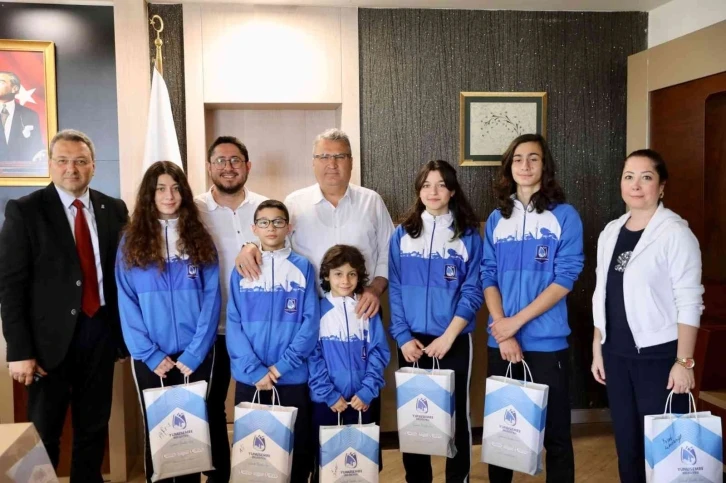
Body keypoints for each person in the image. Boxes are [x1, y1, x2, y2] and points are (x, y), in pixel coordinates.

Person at [235, 128, 394, 465]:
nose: (331, 163)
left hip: (363, 314)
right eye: (324, 156)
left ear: (351, 161)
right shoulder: (295, 203)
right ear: (313, 162)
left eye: (339, 156)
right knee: (316, 421)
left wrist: (375, 289)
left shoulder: (372, 201)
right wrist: (248, 246)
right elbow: (274, 238)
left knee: (362, 418)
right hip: (312, 324)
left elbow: (386, 254)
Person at [0, 129, 128, 482]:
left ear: (93, 166)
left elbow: (123, 275)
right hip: (46, 345)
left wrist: (122, 337)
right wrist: (19, 351)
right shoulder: (25, 210)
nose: (72, 168)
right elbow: (10, 286)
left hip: (100, 334)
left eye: (81, 161)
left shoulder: (114, 209)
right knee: (44, 434)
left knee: (93, 428)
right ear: (50, 164)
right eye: (63, 161)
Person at [591, 149, 704, 483]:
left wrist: (684, 362)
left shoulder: (675, 233)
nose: (636, 185)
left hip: (659, 358)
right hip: (616, 355)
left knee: (666, 451)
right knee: (627, 447)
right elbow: (602, 294)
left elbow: (689, 301)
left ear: (662, 186)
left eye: (646, 177)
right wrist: (598, 346)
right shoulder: (611, 232)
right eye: (629, 177)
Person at [481, 133, 583, 483]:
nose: (525, 165)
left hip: (546, 343)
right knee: (501, 435)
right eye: (518, 158)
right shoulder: (496, 219)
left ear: (545, 166)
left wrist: (515, 323)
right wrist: (502, 328)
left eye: (533, 158)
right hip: (501, 341)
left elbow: (565, 279)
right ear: (509, 167)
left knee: (556, 435)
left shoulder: (565, 216)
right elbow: (488, 275)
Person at [116, 161, 221, 483]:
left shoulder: (200, 239)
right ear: (150, 194)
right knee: (159, 434)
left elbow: (212, 298)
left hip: (195, 356)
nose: (169, 195)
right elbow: (127, 301)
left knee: (192, 436)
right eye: (161, 188)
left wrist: (196, 351)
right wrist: (148, 354)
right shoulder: (131, 242)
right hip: (152, 357)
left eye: (175, 188)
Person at [389, 160, 483, 483]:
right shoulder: (402, 234)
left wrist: (449, 336)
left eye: (441, 184)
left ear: (452, 190)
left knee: (455, 416)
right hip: (411, 341)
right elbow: (395, 288)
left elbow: (472, 291)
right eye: (427, 185)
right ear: (419, 190)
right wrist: (402, 336)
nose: (433, 191)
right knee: (415, 417)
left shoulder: (468, 236)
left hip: (453, 338)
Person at [226, 200, 320, 483]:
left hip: (290, 376)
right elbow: (233, 324)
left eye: (278, 221)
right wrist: (256, 371)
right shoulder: (241, 269)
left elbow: (310, 323)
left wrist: (282, 367)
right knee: (255, 455)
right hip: (251, 378)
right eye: (264, 222)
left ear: (288, 227)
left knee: (296, 451)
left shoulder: (303, 267)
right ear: (254, 228)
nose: (271, 227)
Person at [194, 135, 267, 482]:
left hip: (258, 328)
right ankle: (219, 475)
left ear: (248, 166)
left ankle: (259, 472)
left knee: (259, 402)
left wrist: (253, 244)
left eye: (235, 160)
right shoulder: (193, 209)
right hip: (211, 328)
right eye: (220, 161)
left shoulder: (266, 207)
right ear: (209, 167)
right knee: (210, 405)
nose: (228, 167)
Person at [309, 244, 390, 483]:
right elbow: (311, 356)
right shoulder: (317, 311)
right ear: (326, 276)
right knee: (325, 464)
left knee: (362, 464)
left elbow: (379, 352)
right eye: (338, 274)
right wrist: (328, 394)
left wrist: (367, 391)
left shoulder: (367, 311)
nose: (345, 281)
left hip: (362, 401)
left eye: (352, 274)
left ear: (359, 276)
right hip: (326, 402)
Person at [0, 71, 45, 162]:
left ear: (14, 89)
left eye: (1, 82)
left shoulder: (30, 115)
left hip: (20, 168)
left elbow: (36, 146)